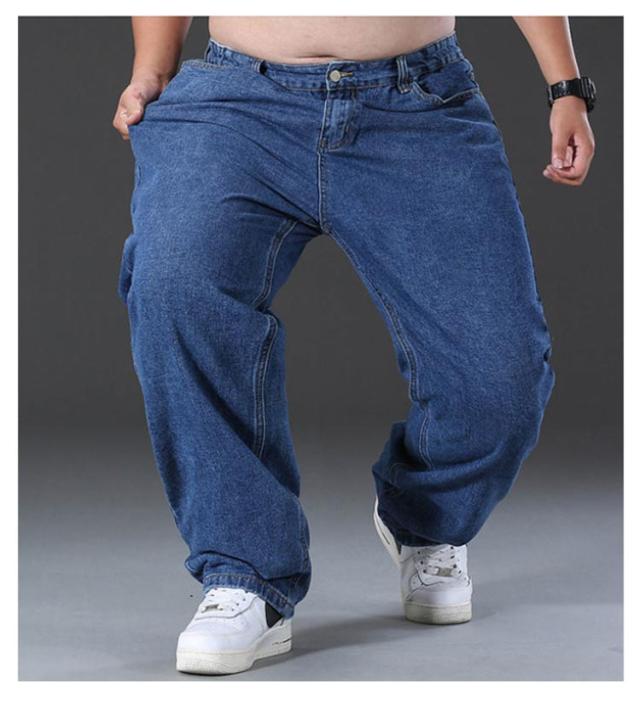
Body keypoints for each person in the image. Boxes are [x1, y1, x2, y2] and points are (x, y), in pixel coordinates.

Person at [112, 16, 595, 675]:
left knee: (501, 376)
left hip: (416, 103)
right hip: (236, 100)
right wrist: (152, 68)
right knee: (174, 287)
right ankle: (245, 571)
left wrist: (566, 87)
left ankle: (427, 519)